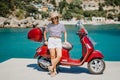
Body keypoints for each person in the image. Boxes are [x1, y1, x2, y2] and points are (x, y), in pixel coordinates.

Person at [44, 12, 67, 77]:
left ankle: (51, 67)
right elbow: (45, 33)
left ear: (58, 18)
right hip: (51, 40)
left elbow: (65, 33)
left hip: (58, 40)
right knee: (52, 56)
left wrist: (65, 40)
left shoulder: (61, 25)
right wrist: (46, 40)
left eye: (56, 18)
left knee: (59, 56)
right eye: (53, 18)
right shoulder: (49, 25)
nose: (54, 19)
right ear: (51, 19)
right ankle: (54, 71)